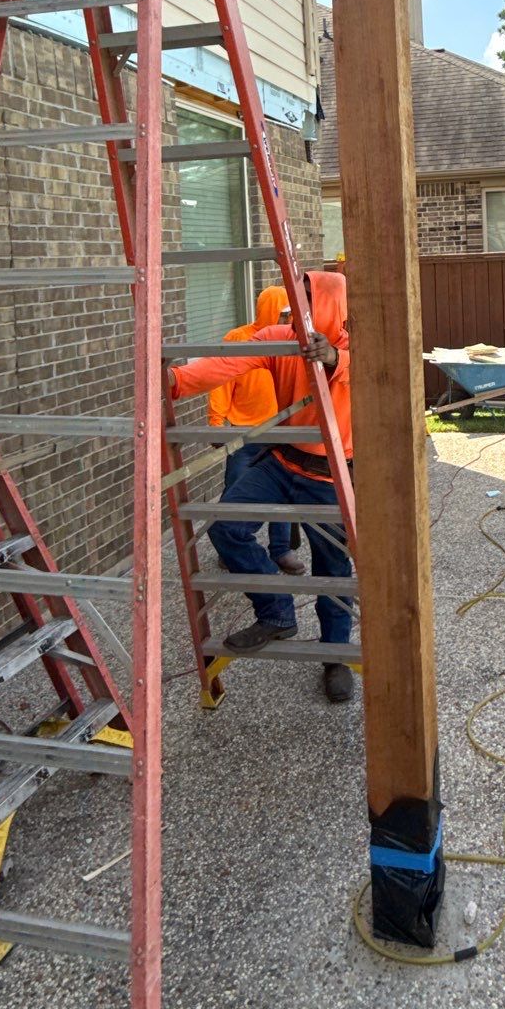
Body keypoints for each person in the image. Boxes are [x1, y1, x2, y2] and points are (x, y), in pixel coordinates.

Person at [169, 270, 355, 704]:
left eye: (307, 299)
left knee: (332, 569)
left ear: (329, 304)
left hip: (331, 474)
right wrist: (176, 382)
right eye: (294, 298)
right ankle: (276, 612)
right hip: (282, 460)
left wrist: (332, 358)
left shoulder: (350, 345)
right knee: (226, 528)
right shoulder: (279, 337)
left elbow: (370, 370)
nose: (297, 308)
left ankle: (336, 657)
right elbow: (224, 364)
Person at [209, 283, 306, 576]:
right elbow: (221, 379)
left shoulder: (291, 341)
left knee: (282, 490)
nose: (288, 321)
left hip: (282, 429)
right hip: (244, 430)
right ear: (268, 311)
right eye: (283, 314)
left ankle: (281, 550)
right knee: (235, 486)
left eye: (291, 316)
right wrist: (216, 421)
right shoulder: (239, 339)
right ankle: (232, 547)